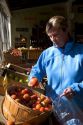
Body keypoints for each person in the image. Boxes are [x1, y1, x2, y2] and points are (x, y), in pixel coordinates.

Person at [28, 16, 83, 124]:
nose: (53, 39)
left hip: (77, 111)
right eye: (50, 36)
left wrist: (76, 88)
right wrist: (34, 77)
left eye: (56, 35)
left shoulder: (81, 52)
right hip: (53, 109)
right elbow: (37, 69)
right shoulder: (47, 54)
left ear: (66, 30)